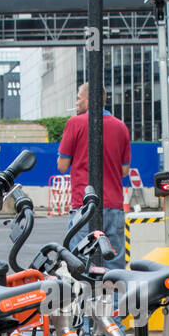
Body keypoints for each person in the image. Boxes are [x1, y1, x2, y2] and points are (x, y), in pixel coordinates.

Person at [57, 82, 130, 268]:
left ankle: (87, 298)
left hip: (84, 205)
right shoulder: (121, 127)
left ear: (89, 100)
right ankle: (114, 297)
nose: (77, 102)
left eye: (79, 98)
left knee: (81, 264)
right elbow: (124, 171)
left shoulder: (75, 123)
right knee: (113, 266)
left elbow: (62, 165)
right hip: (114, 206)